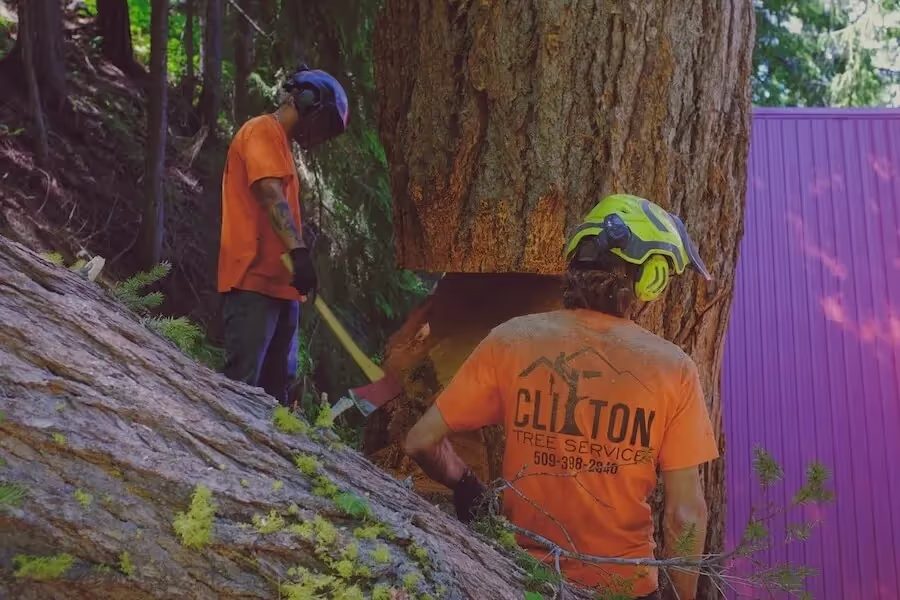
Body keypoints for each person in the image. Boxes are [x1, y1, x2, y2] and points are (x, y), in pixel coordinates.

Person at [403, 194, 719, 600]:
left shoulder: (513, 339)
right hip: (624, 588)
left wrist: (467, 487)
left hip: (520, 580)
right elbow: (684, 513)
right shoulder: (673, 370)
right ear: (649, 277)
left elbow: (419, 440)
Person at [217, 66, 349, 406]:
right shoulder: (262, 130)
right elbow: (269, 194)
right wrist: (300, 253)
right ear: (306, 101)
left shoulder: (284, 146)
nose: (319, 135)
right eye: (323, 123)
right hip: (253, 283)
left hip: (281, 288)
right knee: (240, 394)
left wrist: (298, 269)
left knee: (276, 397)